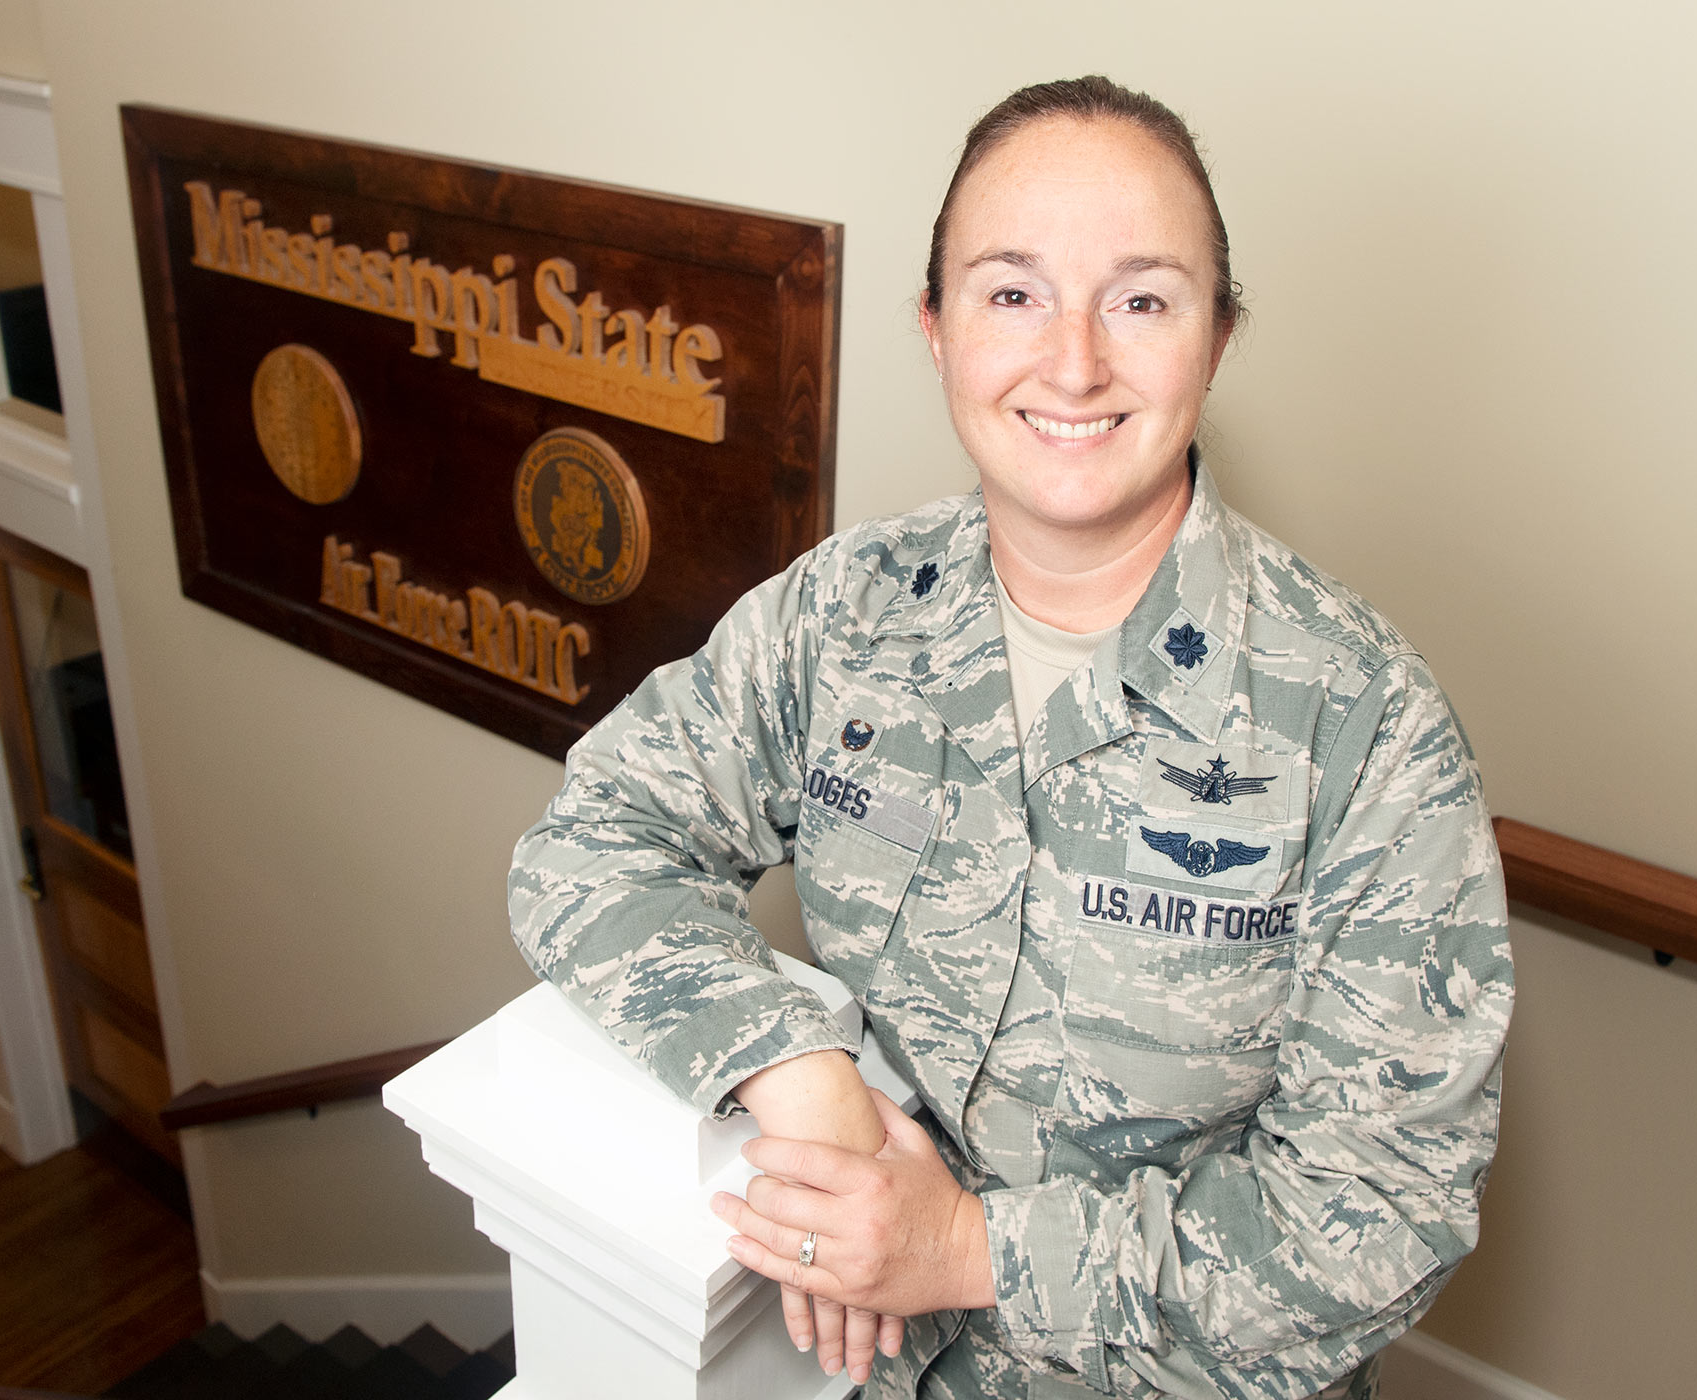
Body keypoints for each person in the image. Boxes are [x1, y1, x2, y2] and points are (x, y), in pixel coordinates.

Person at [510, 76, 1511, 1400]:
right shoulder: (840, 617)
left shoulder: (1365, 722)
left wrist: (971, 1250)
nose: (1076, 361)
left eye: (1143, 299)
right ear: (936, 329)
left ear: (1218, 339)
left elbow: (1384, 1219)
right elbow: (590, 845)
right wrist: (789, 1065)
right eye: (1011, 292)